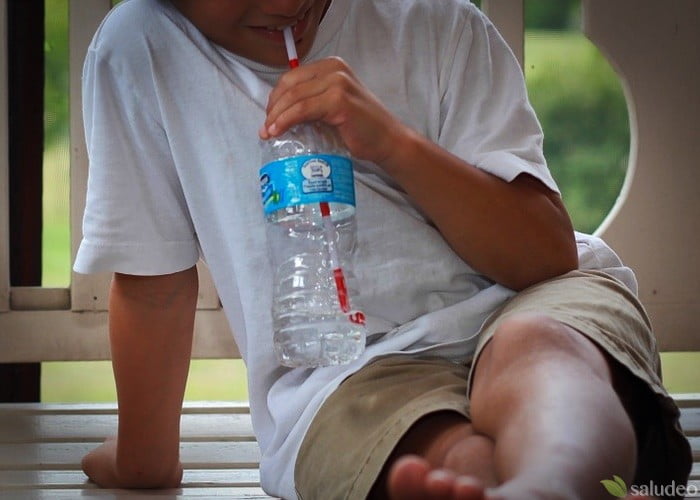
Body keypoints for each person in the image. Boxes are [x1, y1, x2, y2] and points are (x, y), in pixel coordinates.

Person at [74, 0, 692, 498]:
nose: (286, 3)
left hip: (528, 303)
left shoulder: (436, 21)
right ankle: (511, 484)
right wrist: (143, 459)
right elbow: (154, 287)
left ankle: (552, 482)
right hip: (349, 370)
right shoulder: (144, 49)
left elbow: (544, 255)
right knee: (408, 439)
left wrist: (393, 142)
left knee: (540, 353)